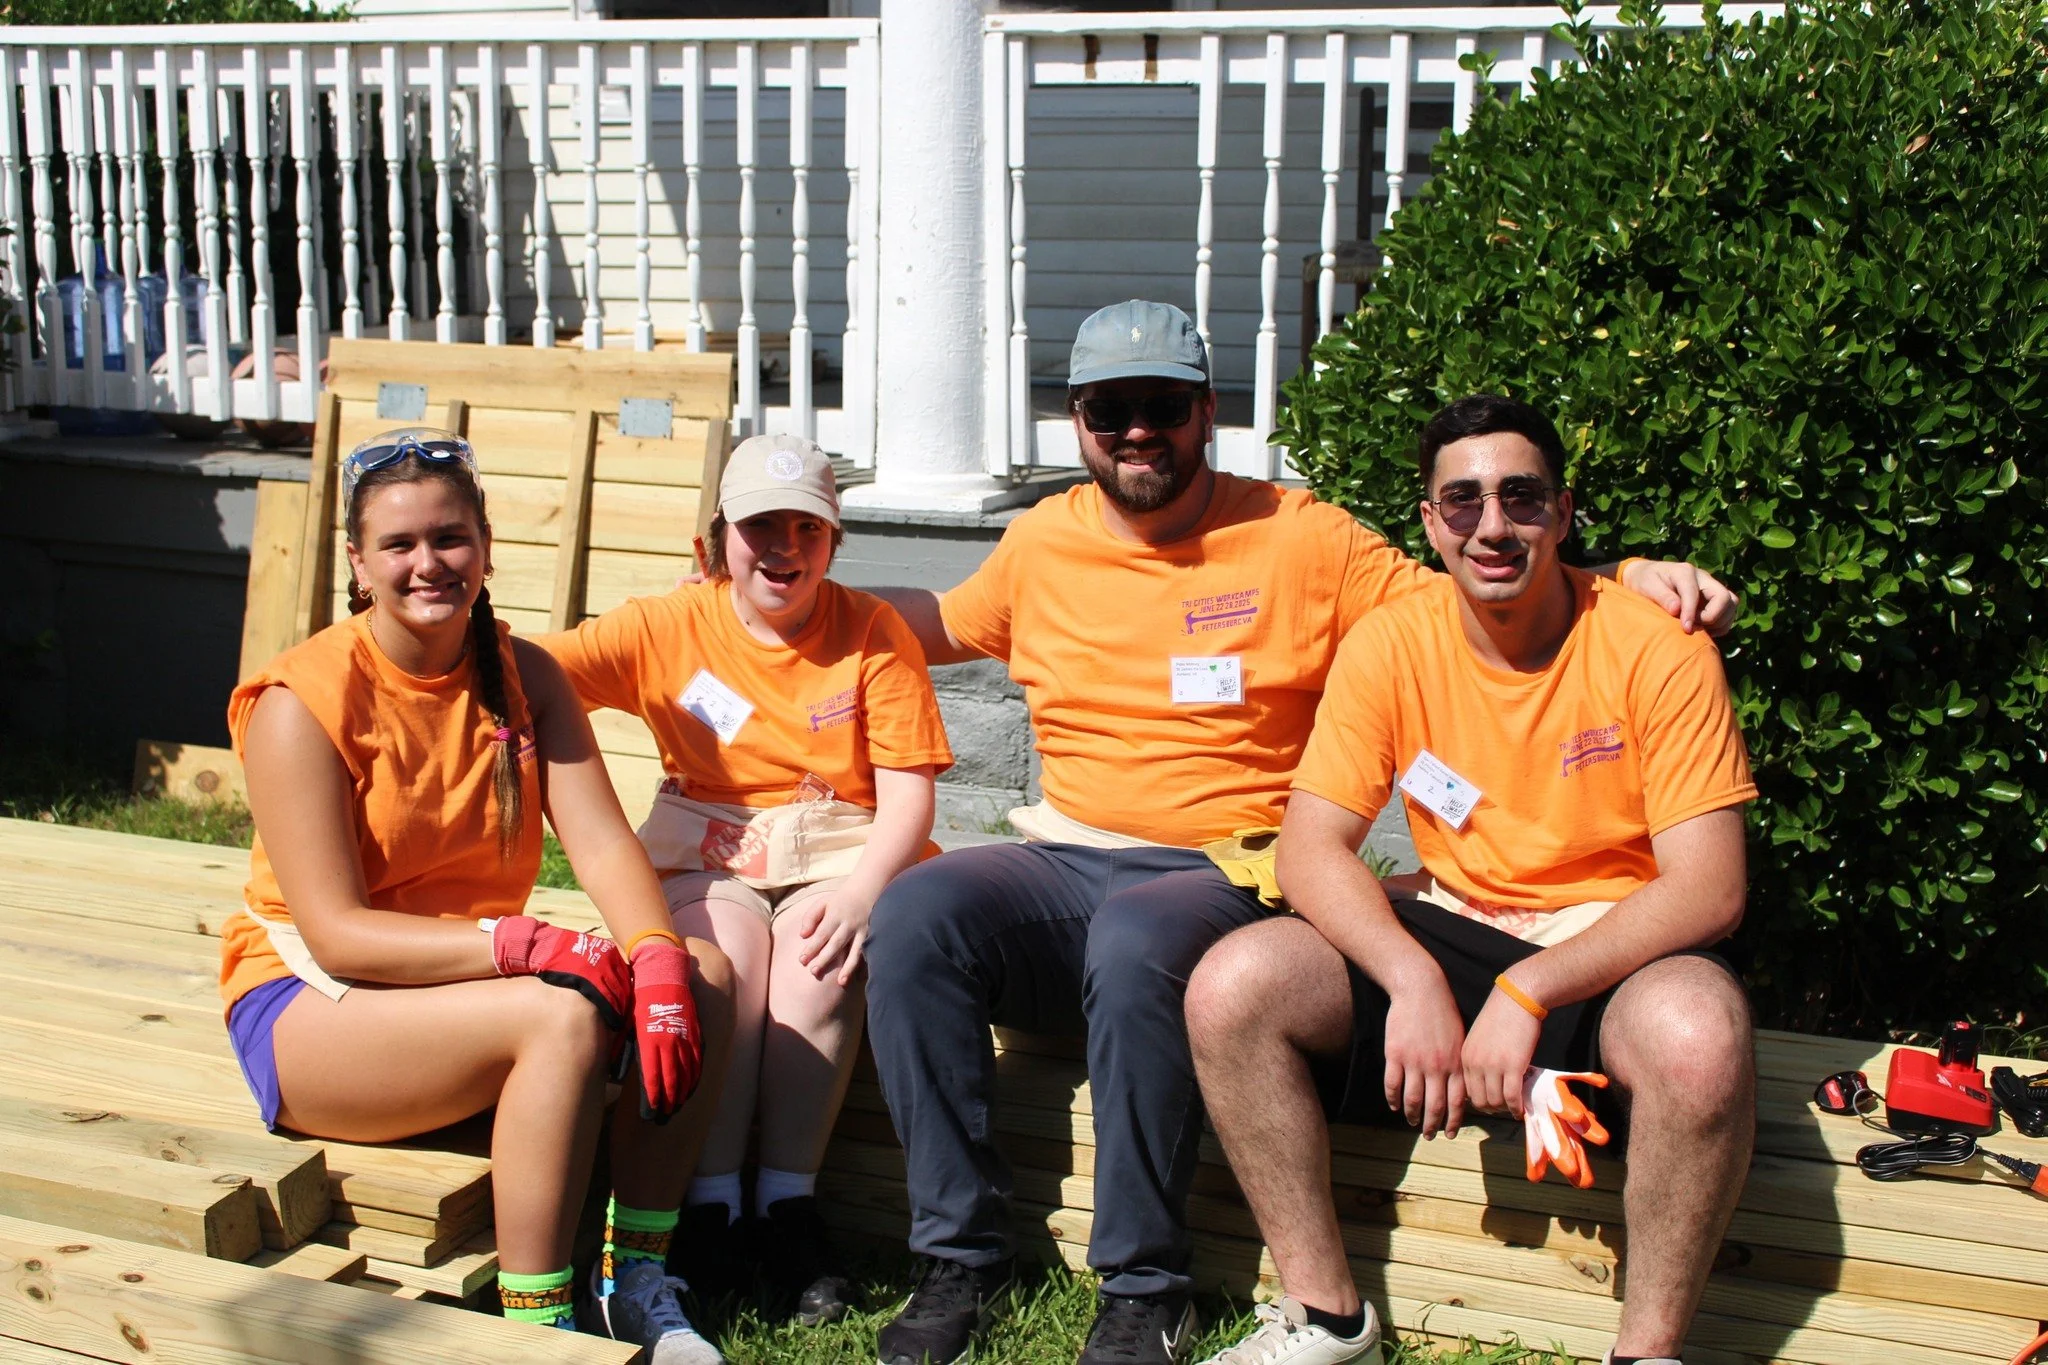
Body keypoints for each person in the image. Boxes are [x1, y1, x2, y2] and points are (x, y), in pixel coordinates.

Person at [857, 300, 1743, 1365]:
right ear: (1076, 420)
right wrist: (777, 587)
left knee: (1148, 940)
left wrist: (1628, 579)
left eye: (1163, 406)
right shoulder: (1042, 538)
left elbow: (1490, 588)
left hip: (1224, 869)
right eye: (1109, 408)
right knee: (915, 909)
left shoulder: (1307, 539)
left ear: (1207, 412)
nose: (1137, 429)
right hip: (1078, 854)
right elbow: (943, 625)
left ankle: (1143, 1287)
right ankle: (963, 1261)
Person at [1185, 395, 1757, 1365]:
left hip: (1609, 939)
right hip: (1451, 923)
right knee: (1233, 985)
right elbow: (1308, 848)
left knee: (1698, 1037)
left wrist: (1524, 989)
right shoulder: (1392, 643)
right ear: (1428, 522)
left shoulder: (1656, 645)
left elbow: (1706, 889)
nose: (1491, 526)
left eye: (1520, 499)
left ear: (1562, 513)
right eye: (1462, 503)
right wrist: (1409, 980)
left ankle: (1646, 1352)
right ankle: (1325, 1318)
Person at [218, 428, 736, 1365]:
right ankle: (534, 1324)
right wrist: (528, 946)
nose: (429, 563)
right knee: (560, 1016)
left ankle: (631, 1276)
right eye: (400, 544)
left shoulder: (523, 671)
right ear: (358, 562)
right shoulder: (301, 701)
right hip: (314, 1005)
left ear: (487, 545)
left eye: (450, 538)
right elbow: (336, 936)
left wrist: (656, 957)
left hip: (459, 983)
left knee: (705, 971)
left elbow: (605, 845)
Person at [539, 433, 952, 1327]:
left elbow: (909, 797)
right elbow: (534, 674)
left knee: (817, 965)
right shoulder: (662, 626)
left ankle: (787, 1203)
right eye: (761, 525)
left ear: (834, 542)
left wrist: (861, 891)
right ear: (715, 539)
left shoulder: (873, 633)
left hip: (839, 850)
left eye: (808, 526)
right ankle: (713, 1202)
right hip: (707, 846)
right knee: (721, 962)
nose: (784, 547)